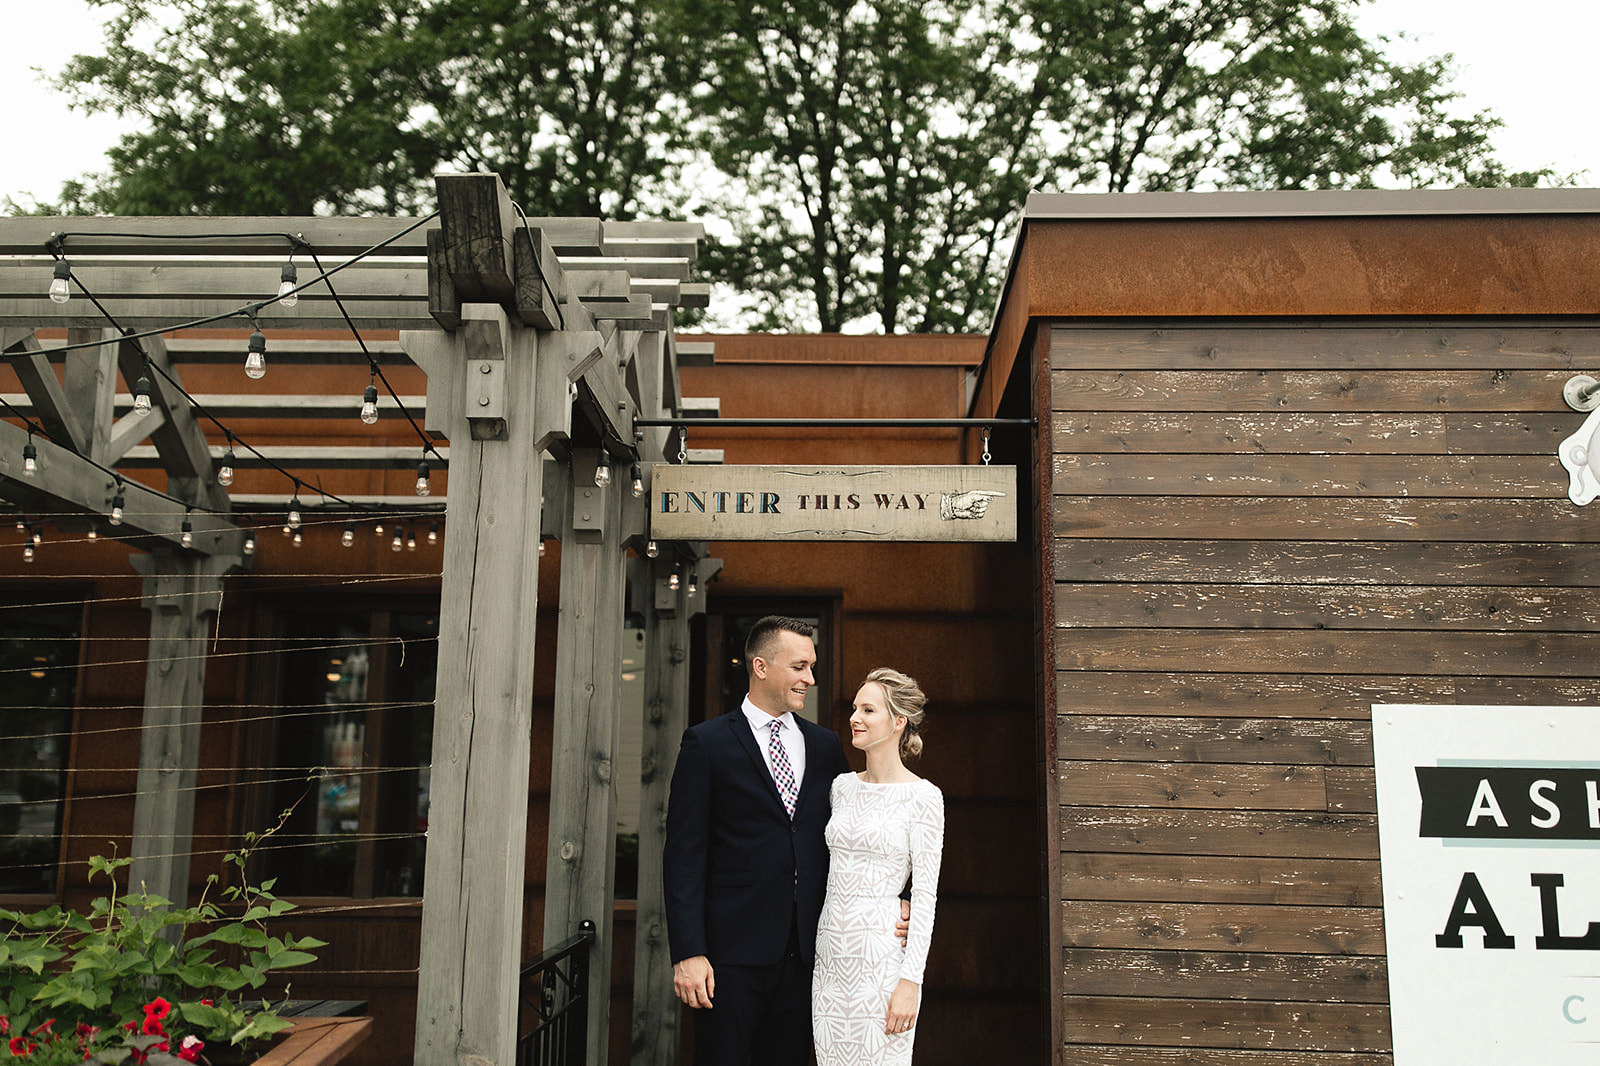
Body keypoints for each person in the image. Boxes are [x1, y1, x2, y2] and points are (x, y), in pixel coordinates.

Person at [663, 616, 852, 1066]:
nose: (810, 679)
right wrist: (689, 951)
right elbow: (684, 853)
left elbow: (854, 833)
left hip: (808, 955)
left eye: (812, 667)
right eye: (800, 666)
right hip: (728, 958)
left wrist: (899, 898)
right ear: (762, 667)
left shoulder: (826, 746)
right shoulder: (706, 743)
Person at [813, 667, 944, 1066]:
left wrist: (910, 983)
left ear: (898, 722)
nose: (855, 717)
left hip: (882, 960)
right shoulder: (841, 787)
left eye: (868, 710)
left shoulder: (923, 797)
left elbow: (924, 894)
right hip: (831, 956)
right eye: (855, 708)